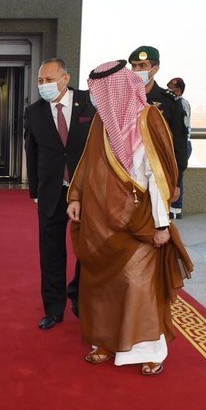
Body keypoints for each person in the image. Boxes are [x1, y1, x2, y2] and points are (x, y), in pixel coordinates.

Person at [67, 60, 194, 375]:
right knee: (103, 284)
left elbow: (159, 177)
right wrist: (77, 196)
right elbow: (87, 164)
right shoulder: (102, 123)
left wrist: (162, 224)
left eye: (99, 90)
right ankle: (106, 342)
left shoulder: (148, 118)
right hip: (101, 221)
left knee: (138, 283)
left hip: (141, 218)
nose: (95, 97)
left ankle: (151, 349)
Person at [24, 58, 96, 330]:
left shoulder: (90, 103)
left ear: (65, 78)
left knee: (86, 249)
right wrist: (35, 192)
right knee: (51, 252)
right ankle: (53, 309)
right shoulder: (34, 112)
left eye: (49, 80)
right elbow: (31, 152)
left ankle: (78, 294)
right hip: (51, 192)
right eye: (40, 81)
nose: (44, 86)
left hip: (87, 190)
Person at [128, 46, 188, 198]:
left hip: (159, 172)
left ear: (155, 69)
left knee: (158, 218)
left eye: (142, 66)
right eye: (133, 66)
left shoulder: (169, 101)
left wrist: (176, 181)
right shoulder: (124, 98)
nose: (136, 70)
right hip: (128, 173)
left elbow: (179, 142)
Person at [167, 77, 192, 219]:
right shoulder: (176, 103)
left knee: (178, 176)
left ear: (179, 90)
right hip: (176, 144)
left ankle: (176, 209)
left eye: (173, 89)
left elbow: (182, 127)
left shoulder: (181, 104)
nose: (170, 91)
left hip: (182, 144)